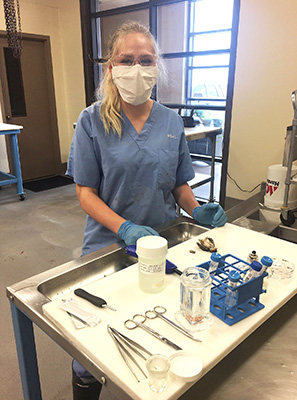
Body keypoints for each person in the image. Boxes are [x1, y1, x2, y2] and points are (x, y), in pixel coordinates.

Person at [67, 21, 227, 400]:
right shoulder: (92, 121)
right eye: (127, 59)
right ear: (111, 67)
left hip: (164, 240)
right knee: (93, 342)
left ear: (157, 67)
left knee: (164, 324)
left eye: (146, 60)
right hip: (108, 244)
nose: (137, 68)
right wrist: (124, 228)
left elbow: (179, 183)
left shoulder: (171, 122)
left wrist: (196, 209)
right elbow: (85, 193)